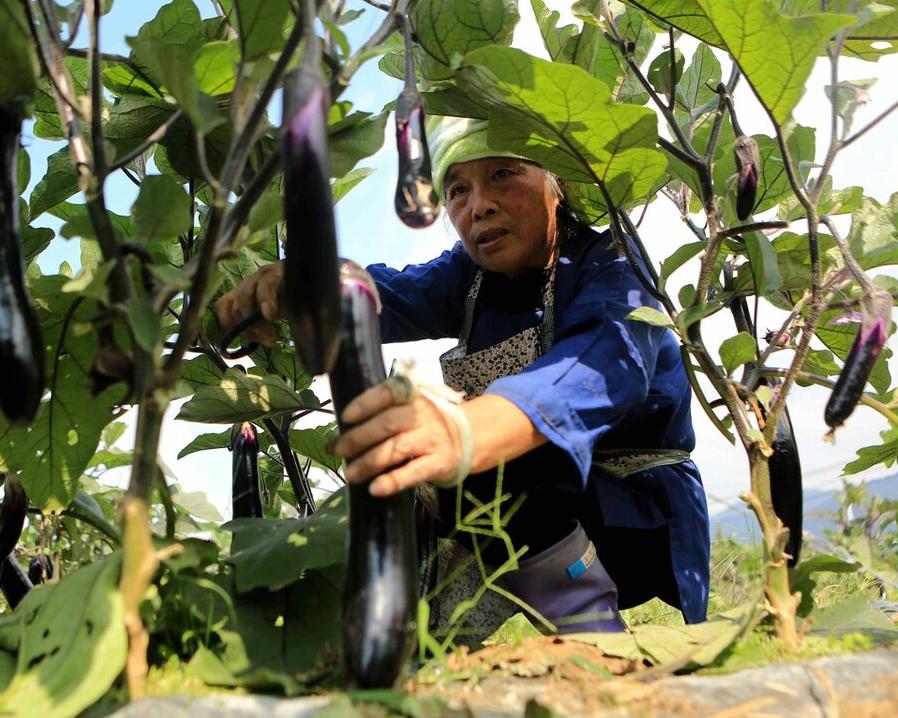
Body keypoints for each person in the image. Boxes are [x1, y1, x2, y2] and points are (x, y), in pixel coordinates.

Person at [216, 117, 709, 635]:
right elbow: (386, 293)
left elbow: (600, 366)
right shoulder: (469, 278)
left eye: (503, 174)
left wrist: (464, 430)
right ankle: (411, 642)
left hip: (633, 514)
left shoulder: (614, 266)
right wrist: (309, 281)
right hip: (524, 512)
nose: (479, 205)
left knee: (489, 467)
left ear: (555, 185)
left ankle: (592, 636)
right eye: (457, 190)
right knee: (414, 511)